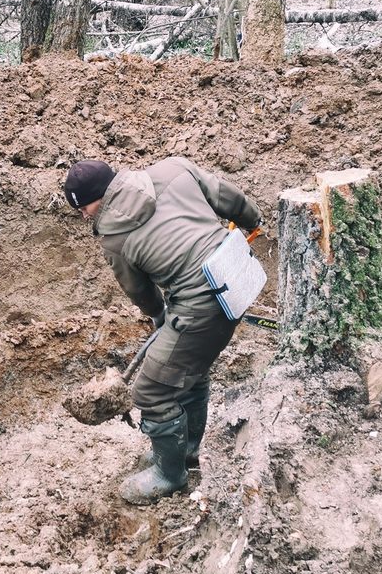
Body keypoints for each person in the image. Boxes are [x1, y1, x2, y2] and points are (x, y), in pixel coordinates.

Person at [64, 157, 262, 505]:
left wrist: (159, 316)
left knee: (152, 390)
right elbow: (227, 197)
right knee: (185, 373)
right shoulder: (174, 169)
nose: (84, 216)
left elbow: (139, 291)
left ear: (99, 196)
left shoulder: (113, 236)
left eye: (84, 208)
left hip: (204, 303)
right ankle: (185, 450)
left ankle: (170, 474)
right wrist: (252, 221)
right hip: (238, 272)